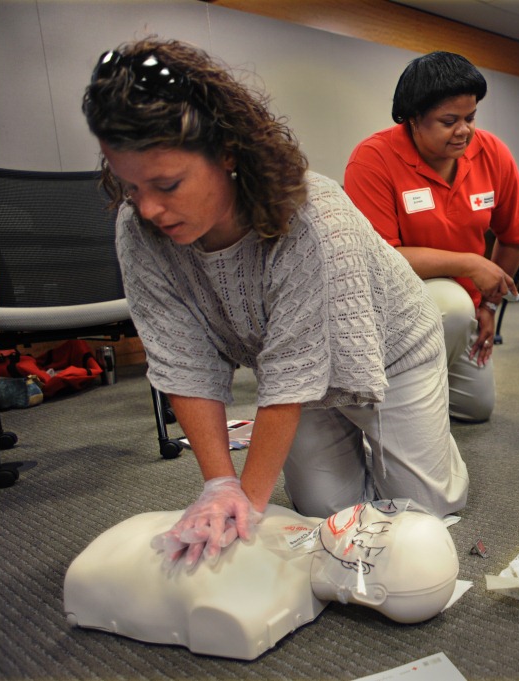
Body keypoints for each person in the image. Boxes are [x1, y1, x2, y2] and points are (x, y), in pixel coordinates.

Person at [82, 38, 468, 569]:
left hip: (393, 350)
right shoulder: (138, 230)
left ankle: (433, 444)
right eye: (129, 186)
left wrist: (252, 495)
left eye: (167, 183)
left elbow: (292, 367)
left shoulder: (311, 215)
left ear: (227, 152)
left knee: (424, 516)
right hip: (301, 379)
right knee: (328, 514)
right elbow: (182, 358)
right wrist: (222, 484)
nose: (147, 208)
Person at [344, 51, 519, 423]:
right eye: (449, 121)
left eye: (470, 117)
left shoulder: (492, 153)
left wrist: (488, 306)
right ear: (413, 119)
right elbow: (378, 259)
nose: (464, 130)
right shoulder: (373, 158)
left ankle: (417, 397)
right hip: (394, 305)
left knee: (474, 409)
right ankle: (395, 407)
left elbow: (513, 237)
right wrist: (469, 263)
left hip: (462, 311)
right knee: (451, 302)